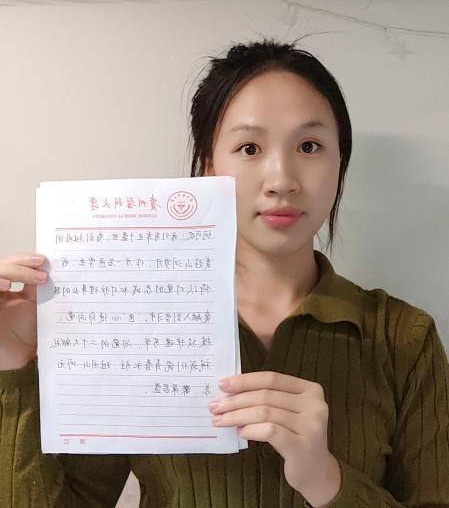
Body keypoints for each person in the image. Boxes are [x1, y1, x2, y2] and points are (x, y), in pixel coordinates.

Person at [1, 39, 448, 508]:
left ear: (340, 163)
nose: (281, 179)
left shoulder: (403, 338)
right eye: (249, 147)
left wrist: (327, 480)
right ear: (210, 165)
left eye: (309, 146)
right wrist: (11, 362)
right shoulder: (131, 325)